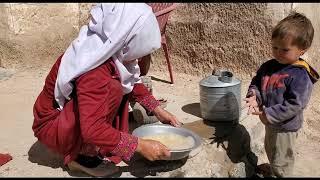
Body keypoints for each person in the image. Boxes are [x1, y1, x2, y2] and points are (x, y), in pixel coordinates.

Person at [32, 3, 182, 177]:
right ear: (127, 34)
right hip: (53, 126)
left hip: (63, 117)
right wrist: (139, 146)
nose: (141, 57)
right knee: (113, 89)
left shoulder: (105, 48)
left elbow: (133, 81)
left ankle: (88, 146)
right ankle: (81, 156)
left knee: (115, 86)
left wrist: (156, 109)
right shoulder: (95, 68)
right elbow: (92, 129)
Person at [244, 12, 319, 177]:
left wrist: (269, 114)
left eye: (285, 49)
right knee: (271, 150)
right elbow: (257, 82)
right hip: (271, 123)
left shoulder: (300, 75)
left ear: (302, 50)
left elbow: (296, 104)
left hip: (286, 127)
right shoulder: (269, 66)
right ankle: (273, 168)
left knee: (282, 160)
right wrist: (254, 96)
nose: (277, 53)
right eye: (275, 47)